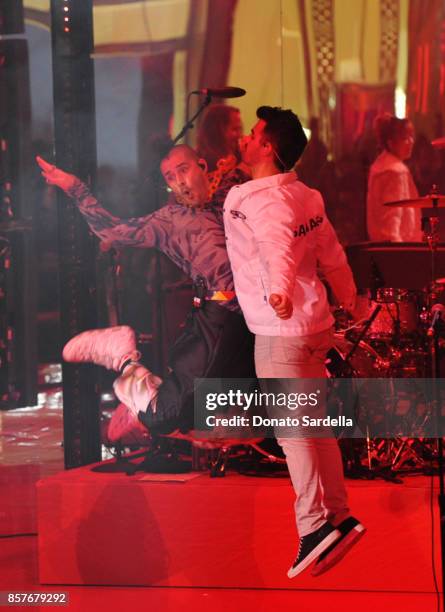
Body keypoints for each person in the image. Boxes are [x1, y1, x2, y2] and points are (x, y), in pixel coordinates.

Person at [223, 106, 365, 578]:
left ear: (268, 146)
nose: (245, 137)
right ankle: (339, 516)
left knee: (292, 433)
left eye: (253, 133)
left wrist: (279, 293)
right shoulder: (304, 194)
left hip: (280, 331)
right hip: (314, 325)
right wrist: (352, 300)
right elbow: (332, 254)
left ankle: (313, 526)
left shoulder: (260, 201)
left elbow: (275, 250)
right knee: (316, 426)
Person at [36, 145, 254, 441]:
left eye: (183, 169)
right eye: (170, 176)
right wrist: (75, 188)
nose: (179, 180)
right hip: (216, 317)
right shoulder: (168, 220)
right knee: (167, 416)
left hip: (251, 318)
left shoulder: (229, 192)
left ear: (202, 165)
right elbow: (113, 231)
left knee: (225, 417)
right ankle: (124, 358)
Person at [367, 113, 422, 242]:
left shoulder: (379, 166)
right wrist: (398, 250)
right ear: (391, 143)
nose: (411, 141)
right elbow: (393, 218)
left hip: (379, 246)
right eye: (405, 138)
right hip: (399, 248)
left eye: (411, 136)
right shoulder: (396, 172)